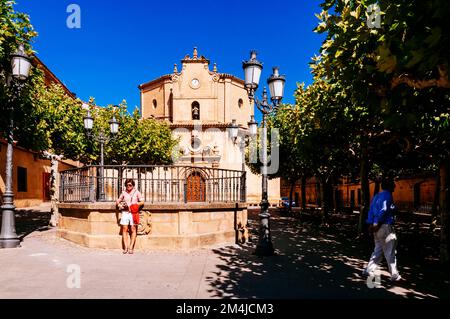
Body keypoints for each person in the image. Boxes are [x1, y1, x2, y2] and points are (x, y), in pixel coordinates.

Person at [363, 177, 402, 282]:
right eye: (393, 184)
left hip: (376, 224)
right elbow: (384, 210)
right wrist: (379, 224)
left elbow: (371, 211)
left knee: (378, 250)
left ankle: (368, 270)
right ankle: (394, 274)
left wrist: (371, 225)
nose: (394, 186)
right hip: (384, 226)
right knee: (390, 251)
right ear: (389, 186)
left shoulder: (376, 196)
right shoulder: (388, 195)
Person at [116, 179, 143, 254]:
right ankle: (125, 247)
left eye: (130, 185)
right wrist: (119, 204)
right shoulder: (124, 192)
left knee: (133, 229)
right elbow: (118, 199)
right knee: (124, 229)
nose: (128, 186)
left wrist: (135, 205)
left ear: (133, 185)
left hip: (133, 213)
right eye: (127, 185)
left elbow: (142, 201)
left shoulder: (136, 192)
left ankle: (131, 247)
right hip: (125, 212)